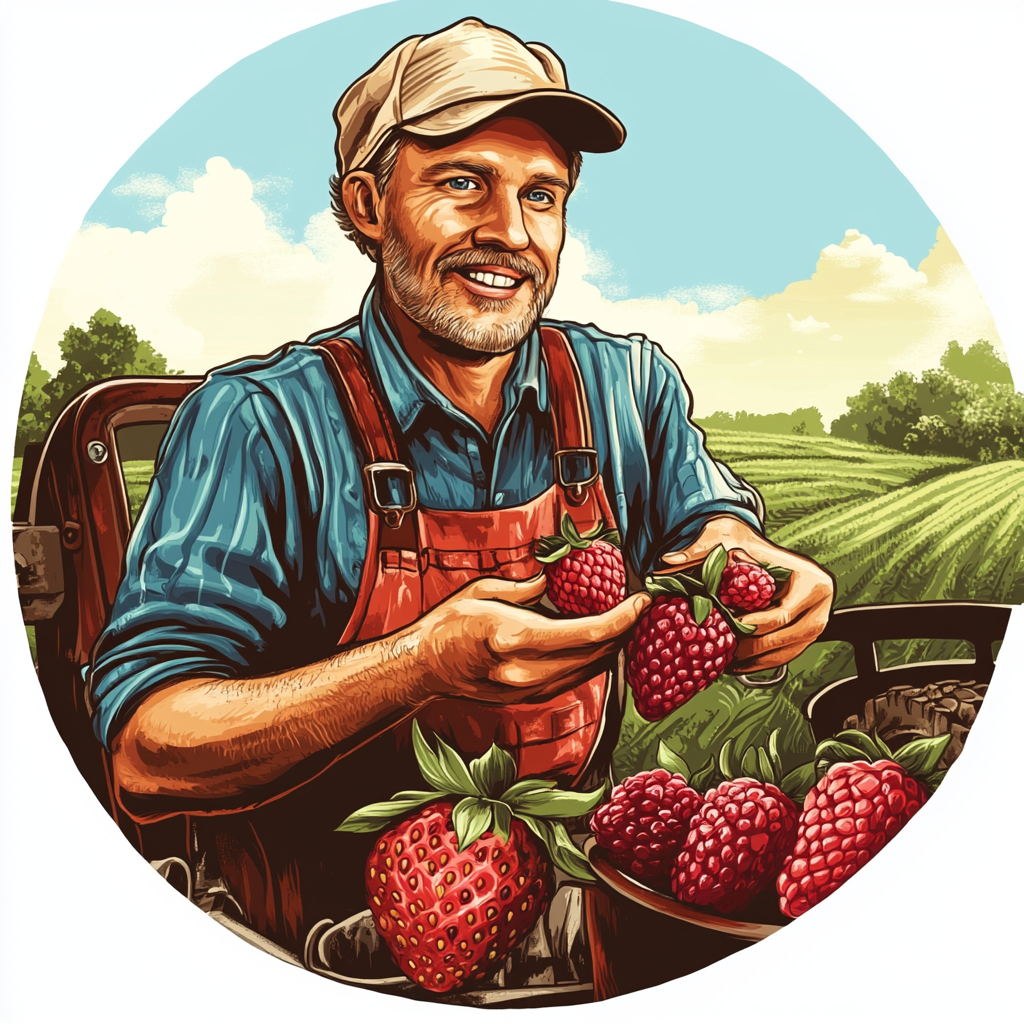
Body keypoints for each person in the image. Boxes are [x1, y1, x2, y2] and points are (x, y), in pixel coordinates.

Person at [88, 18, 833, 963]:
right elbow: (147, 749)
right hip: (307, 938)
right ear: (367, 203)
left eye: (542, 195)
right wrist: (418, 664)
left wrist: (752, 569)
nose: (511, 235)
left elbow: (706, 530)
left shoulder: (625, 384)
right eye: (461, 182)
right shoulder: (258, 422)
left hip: (574, 889)